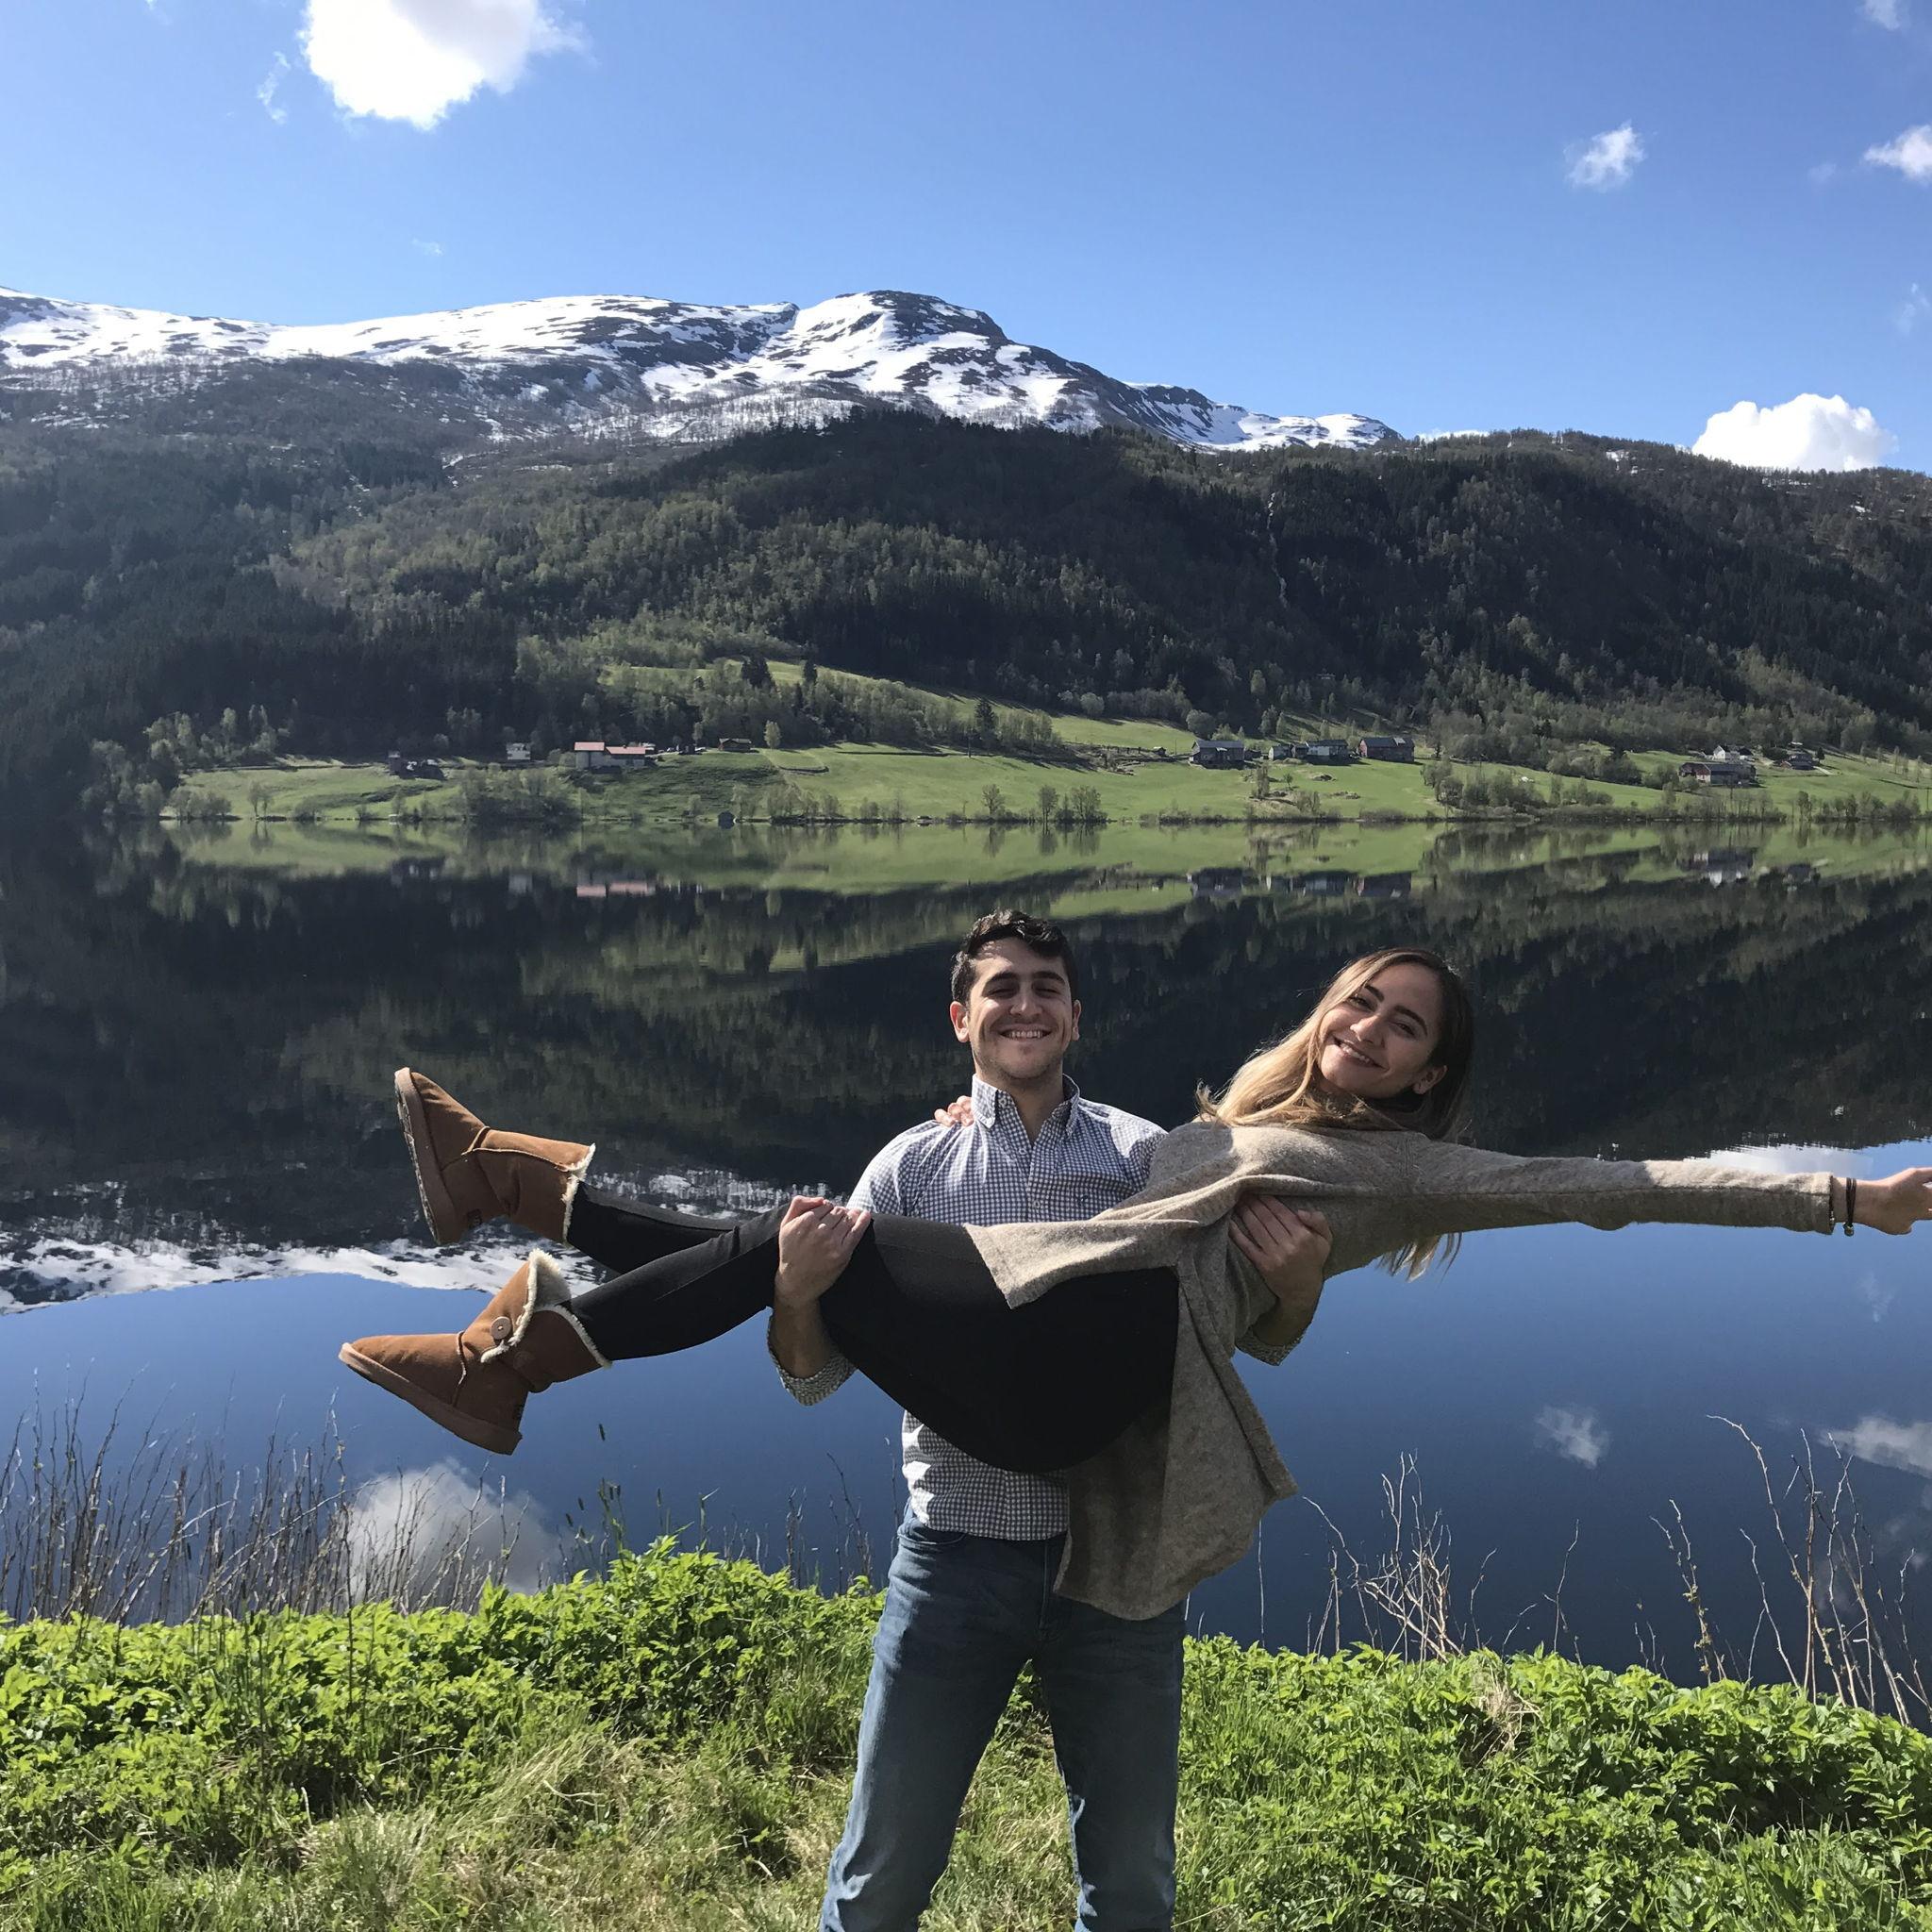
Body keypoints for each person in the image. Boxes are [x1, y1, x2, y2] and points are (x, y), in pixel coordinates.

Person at [341, 942, 1932, 1627]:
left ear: (1426, 1077)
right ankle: (515, 1243)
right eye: (1359, 1004)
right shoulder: (1225, 1124)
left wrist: (1844, 1198)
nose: (1367, 1032)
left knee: (802, 1239)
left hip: (1086, 1372)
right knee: (798, 1238)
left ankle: (516, 1272)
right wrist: (991, 1109)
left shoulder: (1402, 1170)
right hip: (1028, 1324)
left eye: (1403, 1030)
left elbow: (1616, 1185)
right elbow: (1124, 1204)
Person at [361, 909, 1328, 1932]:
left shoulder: (1145, 1159)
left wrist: (1298, 1283)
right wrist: (794, 1292)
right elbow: (811, 1375)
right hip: (958, 1555)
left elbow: (1239, 1330)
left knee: (1131, 1886)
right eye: (1000, 988)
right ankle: (522, 1257)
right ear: (961, 1019)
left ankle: (521, 1265)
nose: (1025, 1004)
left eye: (1045, 986)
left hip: (1118, 1556)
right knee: (878, 1881)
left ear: (1076, 1016)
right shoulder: (911, 1165)